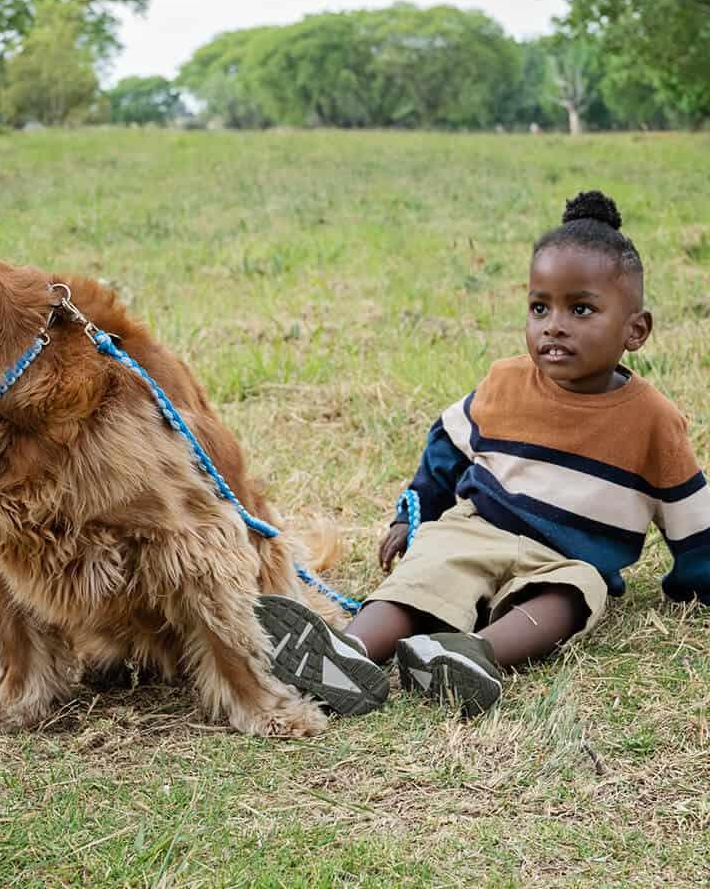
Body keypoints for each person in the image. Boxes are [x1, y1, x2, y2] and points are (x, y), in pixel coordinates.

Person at [257, 190, 710, 718]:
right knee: (427, 570)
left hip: (565, 560)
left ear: (636, 330)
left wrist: (696, 583)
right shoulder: (506, 381)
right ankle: (348, 654)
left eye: (580, 309)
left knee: (573, 595)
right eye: (540, 307)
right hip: (480, 526)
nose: (553, 325)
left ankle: (472, 655)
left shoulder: (653, 420)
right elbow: (447, 445)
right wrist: (415, 513)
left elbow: (690, 517)